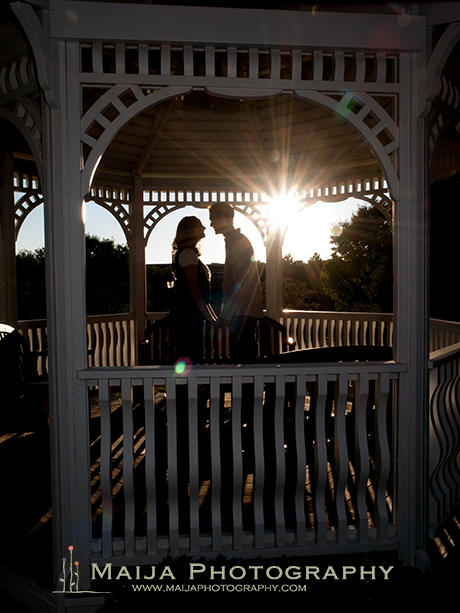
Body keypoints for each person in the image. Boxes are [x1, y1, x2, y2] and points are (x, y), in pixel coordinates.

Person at [208, 202, 264, 362]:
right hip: (243, 312)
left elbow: (240, 283)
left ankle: (248, 388)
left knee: (243, 363)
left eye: (213, 219)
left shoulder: (237, 242)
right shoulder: (233, 240)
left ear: (223, 217)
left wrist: (226, 315)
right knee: (243, 362)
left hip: (243, 313)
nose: (210, 224)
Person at [170, 216, 216, 363]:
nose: (204, 228)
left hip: (188, 317)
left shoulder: (187, 253)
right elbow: (195, 290)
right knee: (190, 357)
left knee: (190, 357)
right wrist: (210, 316)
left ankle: (186, 386)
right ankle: (185, 386)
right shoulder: (188, 254)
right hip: (189, 319)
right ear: (191, 230)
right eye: (200, 225)